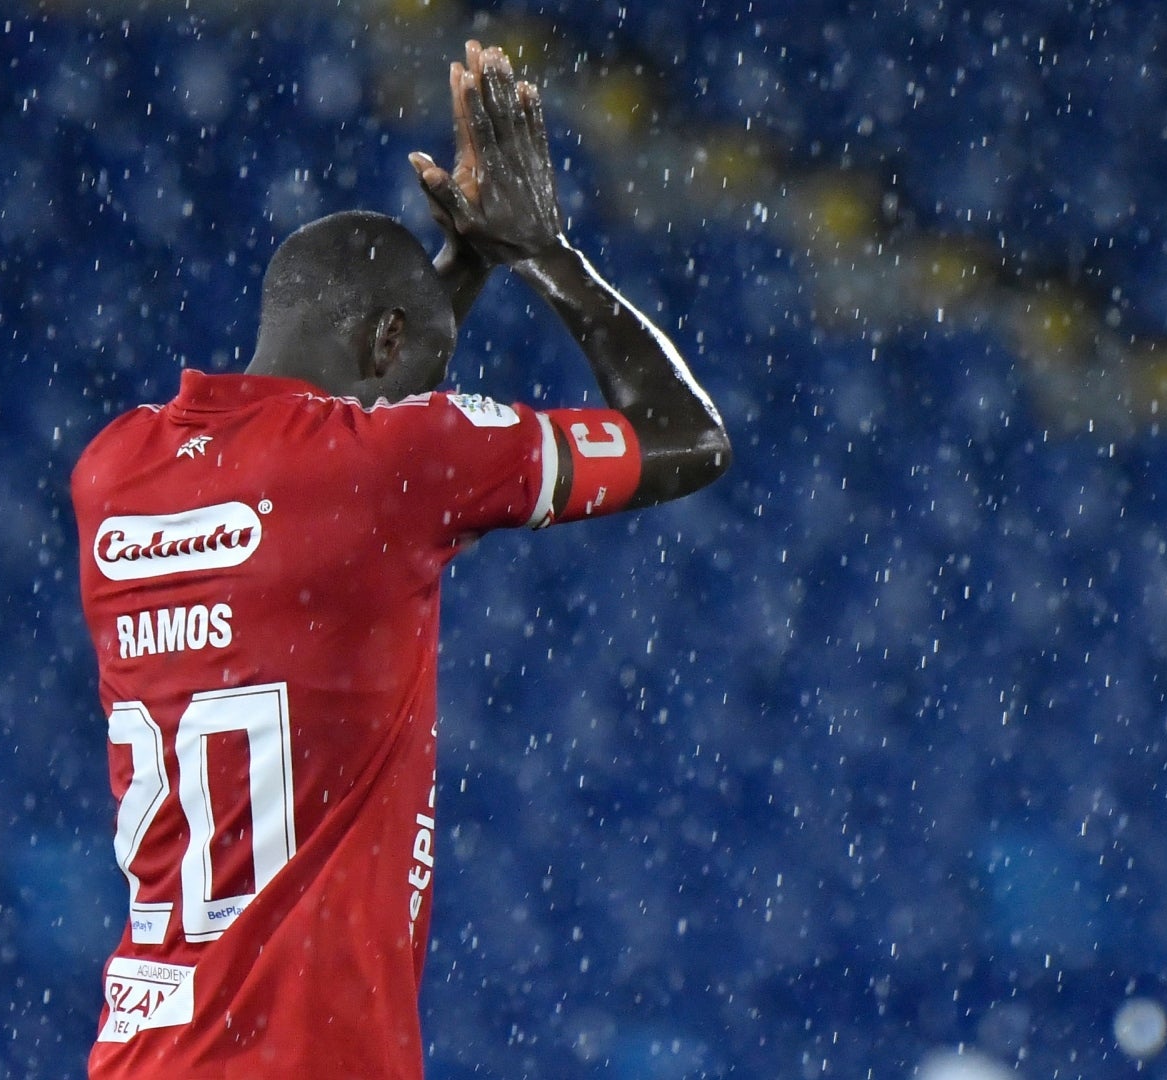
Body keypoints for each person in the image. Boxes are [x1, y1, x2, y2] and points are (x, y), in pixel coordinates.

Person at [68, 40, 730, 1080]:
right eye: (426, 365)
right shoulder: (397, 464)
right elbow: (690, 439)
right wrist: (541, 251)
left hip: (144, 1049)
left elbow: (336, 451)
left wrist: (456, 270)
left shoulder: (115, 471)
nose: (430, 395)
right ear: (386, 345)